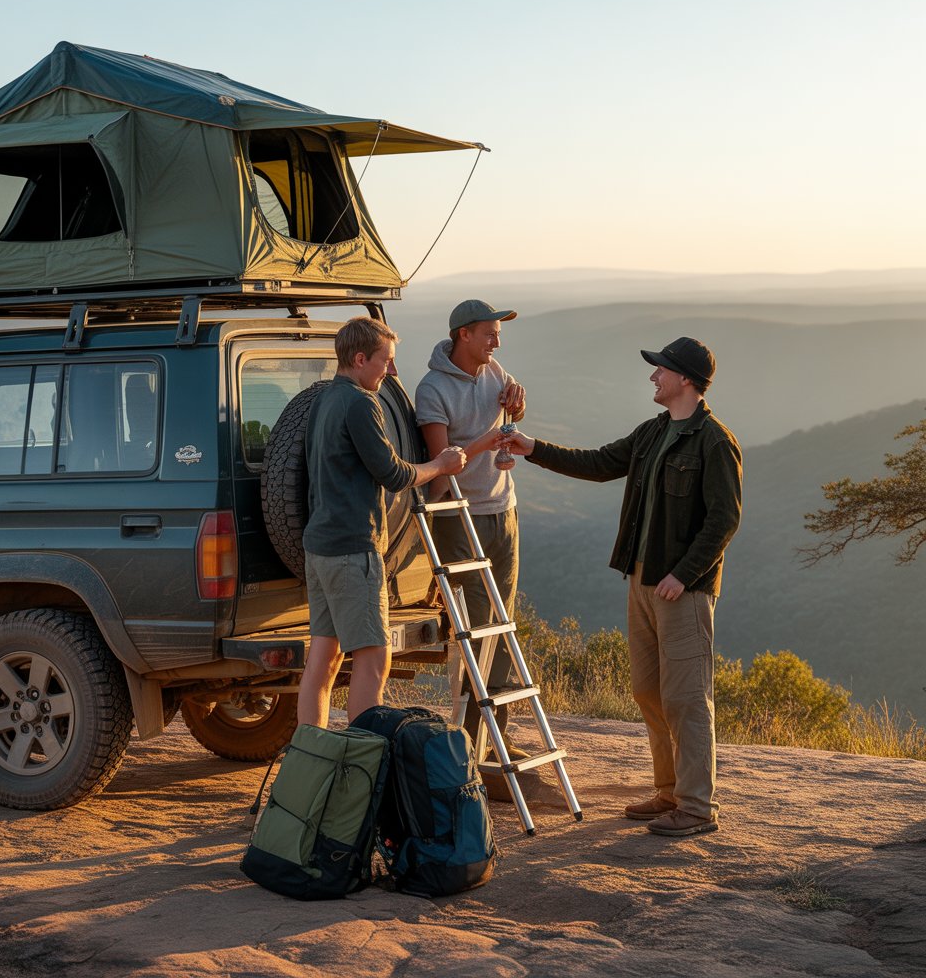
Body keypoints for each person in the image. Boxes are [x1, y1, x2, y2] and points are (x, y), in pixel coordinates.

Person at [504, 337, 742, 836]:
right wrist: (532, 449)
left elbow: (724, 519)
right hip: (642, 581)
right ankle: (669, 792)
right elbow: (599, 463)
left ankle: (697, 808)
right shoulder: (653, 432)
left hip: (684, 590)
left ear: (686, 380)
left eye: (661, 370)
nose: (653, 377)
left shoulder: (715, 442)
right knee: (648, 690)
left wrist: (684, 573)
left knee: (687, 698)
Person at [297, 317, 467, 728]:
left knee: (325, 657)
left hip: (319, 547)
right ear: (359, 359)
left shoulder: (323, 399)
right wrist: (440, 465)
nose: (391, 371)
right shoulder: (360, 402)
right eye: (386, 361)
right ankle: (361, 766)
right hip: (354, 548)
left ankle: (310, 754)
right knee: (374, 659)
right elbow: (394, 474)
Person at [415, 299, 526, 754]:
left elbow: (509, 418)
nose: (497, 341)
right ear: (464, 335)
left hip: (504, 511)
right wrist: (483, 443)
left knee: (502, 625)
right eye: (489, 333)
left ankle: (493, 737)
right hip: (460, 517)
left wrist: (518, 404)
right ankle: (474, 744)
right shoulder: (432, 390)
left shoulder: (495, 372)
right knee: (479, 628)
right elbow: (442, 469)